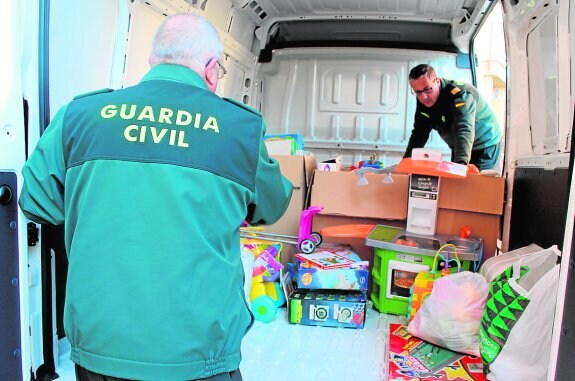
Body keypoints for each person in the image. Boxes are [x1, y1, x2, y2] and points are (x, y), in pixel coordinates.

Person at [18, 13, 293, 381]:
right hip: (198, 355)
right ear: (212, 70)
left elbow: (37, 201)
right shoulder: (238, 129)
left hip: (101, 350)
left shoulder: (80, 116)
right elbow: (272, 205)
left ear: (152, 61)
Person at [403, 64, 503, 171]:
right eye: (418, 92)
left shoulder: (460, 95)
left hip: (485, 145)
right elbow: (419, 134)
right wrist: (405, 164)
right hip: (459, 146)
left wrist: (461, 164)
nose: (424, 97)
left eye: (427, 89)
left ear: (437, 81)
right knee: (457, 182)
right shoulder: (424, 98)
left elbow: (464, 129)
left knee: (477, 183)